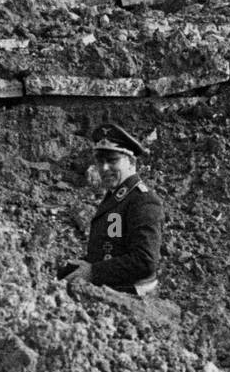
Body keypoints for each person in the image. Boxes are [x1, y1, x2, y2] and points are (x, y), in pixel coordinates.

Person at [57, 124, 164, 296]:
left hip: (130, 293)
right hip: (113, 283)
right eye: (100, 161)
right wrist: (84, 265)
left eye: (112, 160)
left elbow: (145, 261)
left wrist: (93, 271)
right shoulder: (118, 195)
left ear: (131, 162)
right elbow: (112, 246)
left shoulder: (143, 201)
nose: (104, 168)